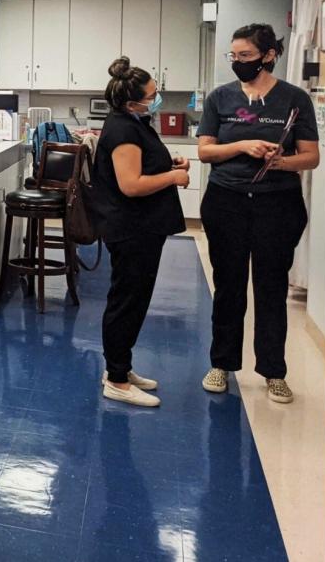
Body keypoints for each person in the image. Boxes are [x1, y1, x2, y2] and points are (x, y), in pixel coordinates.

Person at [196, 24, 320, 404]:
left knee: (271, 288)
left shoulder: (295, 99)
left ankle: (273, 372)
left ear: (269, 55)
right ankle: (221, 364)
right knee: (229, 286)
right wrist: (243, 145)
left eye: (245, 56)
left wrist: (281, 161)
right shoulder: (221, 98)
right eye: (233, 56)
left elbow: (311, 157)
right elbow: (205, 151)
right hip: (226, 201)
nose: (237, 62)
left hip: (277, 204)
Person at [92, 57, 190, 407]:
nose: (157, 97)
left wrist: (169, 164)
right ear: (133, 101)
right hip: (131, 228)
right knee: (126, 302)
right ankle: (116, 380)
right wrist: (173, 177)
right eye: (153, 94)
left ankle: (121, 366)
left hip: (143, 227)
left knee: (135, 300)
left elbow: (143, 165)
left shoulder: (135, 122)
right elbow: (131, 184)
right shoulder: (122, 129)